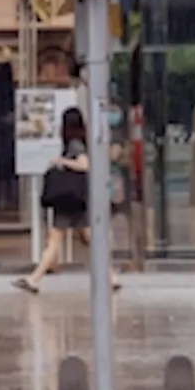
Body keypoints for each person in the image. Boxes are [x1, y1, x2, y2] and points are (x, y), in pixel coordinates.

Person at [12, 107, 121, 294]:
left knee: (55, 242)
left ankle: (34, 279)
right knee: (90, 240)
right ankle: (111, 277)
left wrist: (61, 162)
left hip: (69, 202)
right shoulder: (79, 142)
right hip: (77, 202)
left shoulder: (75, 144)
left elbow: (84, 165)